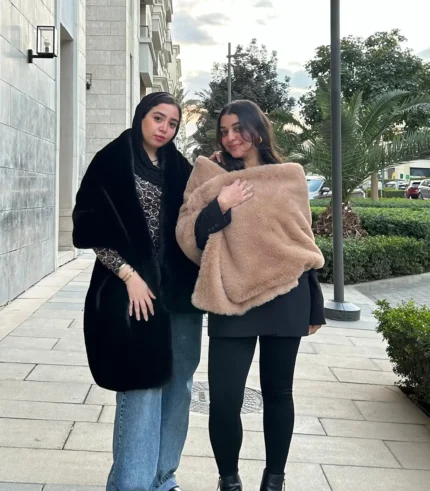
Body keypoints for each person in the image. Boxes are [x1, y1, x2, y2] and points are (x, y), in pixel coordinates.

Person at [176, 100, 326, 491]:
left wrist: (315, 306)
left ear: (257, 129)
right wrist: (221, 204)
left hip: (288, 296)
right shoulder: (211, 175)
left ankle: (273, 481)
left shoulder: (290, 176)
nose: (230, 138)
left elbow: (302, 240)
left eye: (237, 129)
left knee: (278, 393)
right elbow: (189, 235)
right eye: (224, 131)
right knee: (225, 399)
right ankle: (229, 481)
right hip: (232, 296)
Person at [72, 92, 203, 491]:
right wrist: (129, 276)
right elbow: (91, 229)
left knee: (179, 389)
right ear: (141, 116)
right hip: (131, 296)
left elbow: (199, 221)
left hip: (179, 298)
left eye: (172, 123)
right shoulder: (111, 162)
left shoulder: (180, 168)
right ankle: (130, 484)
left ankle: (163, 478)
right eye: (158, 118)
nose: (164, 128)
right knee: (141, 388)